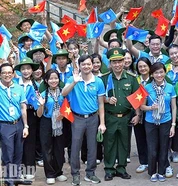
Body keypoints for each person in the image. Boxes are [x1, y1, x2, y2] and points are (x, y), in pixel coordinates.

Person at [62, 55, 106, 185]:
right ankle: (75, 174)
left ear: (92, 65)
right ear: (79, 66)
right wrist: (74, 82)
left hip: (93, 118)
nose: (86, 66)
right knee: (75, 147)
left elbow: (101, 104)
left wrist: (102, 123)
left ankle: (90, 173)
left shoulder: (98, 81)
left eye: (88, 64)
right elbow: (64, 93)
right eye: (83, 64)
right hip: (77, 118)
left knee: (92, 146)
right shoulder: (72, 79)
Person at [102, 48, 140, 181]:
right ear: (110, 63)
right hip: (110, 116)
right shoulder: (105, 78)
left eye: (119, 61)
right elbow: (99, 98)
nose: (117, 65)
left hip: (125, 117)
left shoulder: (131, 78)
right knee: (109, 143)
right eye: (114, 62)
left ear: (124, 62)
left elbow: (137, 98)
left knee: (124, 143)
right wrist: (107, 100)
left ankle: (121, 168)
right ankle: (109, 169)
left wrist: (138, 114)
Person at [140, 62, 176, 182]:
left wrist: (173, 125)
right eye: (156, 72)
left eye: (161, 72)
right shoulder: (147, 88)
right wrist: (151, 108)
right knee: (152, 148)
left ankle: (161, 171)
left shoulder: (170, 87)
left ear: (165, 73)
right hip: (150, 122)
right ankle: (152, 172)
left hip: (166, 121)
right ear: (152, 74)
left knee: (164, 147)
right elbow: (141, 106)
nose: (159, 75)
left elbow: (174, 107)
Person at [0, 63, 31, 186]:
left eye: (9, 72)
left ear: (13, 74)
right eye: (4, 72)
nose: (7, 75)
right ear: (0, 74)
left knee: (19, 152)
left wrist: (26, 126)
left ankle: (16, 176)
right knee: (8, 153)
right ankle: (9, 180)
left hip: (18, 123)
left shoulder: (18, 88)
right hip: (5, 125)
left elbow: (23, 108)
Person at [36, 69, 67, 185]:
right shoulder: (43, 95)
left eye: (56, 78)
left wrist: (63, 114)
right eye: (51, 78)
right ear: (46, 80)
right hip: (46, 122)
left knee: (59, 149)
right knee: (47, 148)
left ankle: (58, 172)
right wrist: (41, 105)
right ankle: (50, 174)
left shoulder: (63, 93)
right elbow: (39, 114)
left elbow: (67, 107)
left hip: (60, 123)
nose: (54, 81)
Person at [13, 57, 40, 180]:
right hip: (16, 115)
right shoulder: (14, 83)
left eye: (28, 68)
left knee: (30, 142)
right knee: (17, 143)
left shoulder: (36, 85)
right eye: (23, 69)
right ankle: (16, 171)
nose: (26, 71)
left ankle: (29, 169)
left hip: (31, 115)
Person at [133, 57, 152, 174]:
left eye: (145, 66)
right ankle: (143, 162)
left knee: (151, 139)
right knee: (140, 138)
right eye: (140, 66)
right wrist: (137, 114)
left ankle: (152, 161)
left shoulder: (154, 79)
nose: (143, 68)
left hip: (151, 113)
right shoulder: (135, 80)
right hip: (137, 112)